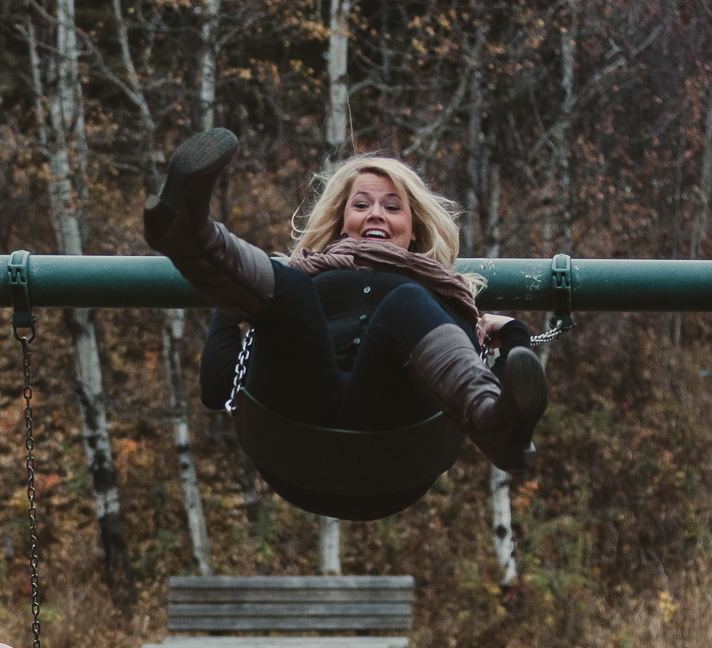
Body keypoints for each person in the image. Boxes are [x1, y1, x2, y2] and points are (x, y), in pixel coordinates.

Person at [144, 129, 547, 476]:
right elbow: (219, 389)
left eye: (392, 207)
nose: (376, 214)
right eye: (361, 204)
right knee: (291, 282)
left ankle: (492, 427)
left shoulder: (442, 295)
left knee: (406, 299)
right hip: (295, 430)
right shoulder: (300, 281)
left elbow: (478, 380)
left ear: (415, 228)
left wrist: (513, 334)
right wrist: (234, 299)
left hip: (393, 440)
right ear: (341, 220)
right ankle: (196, 239)